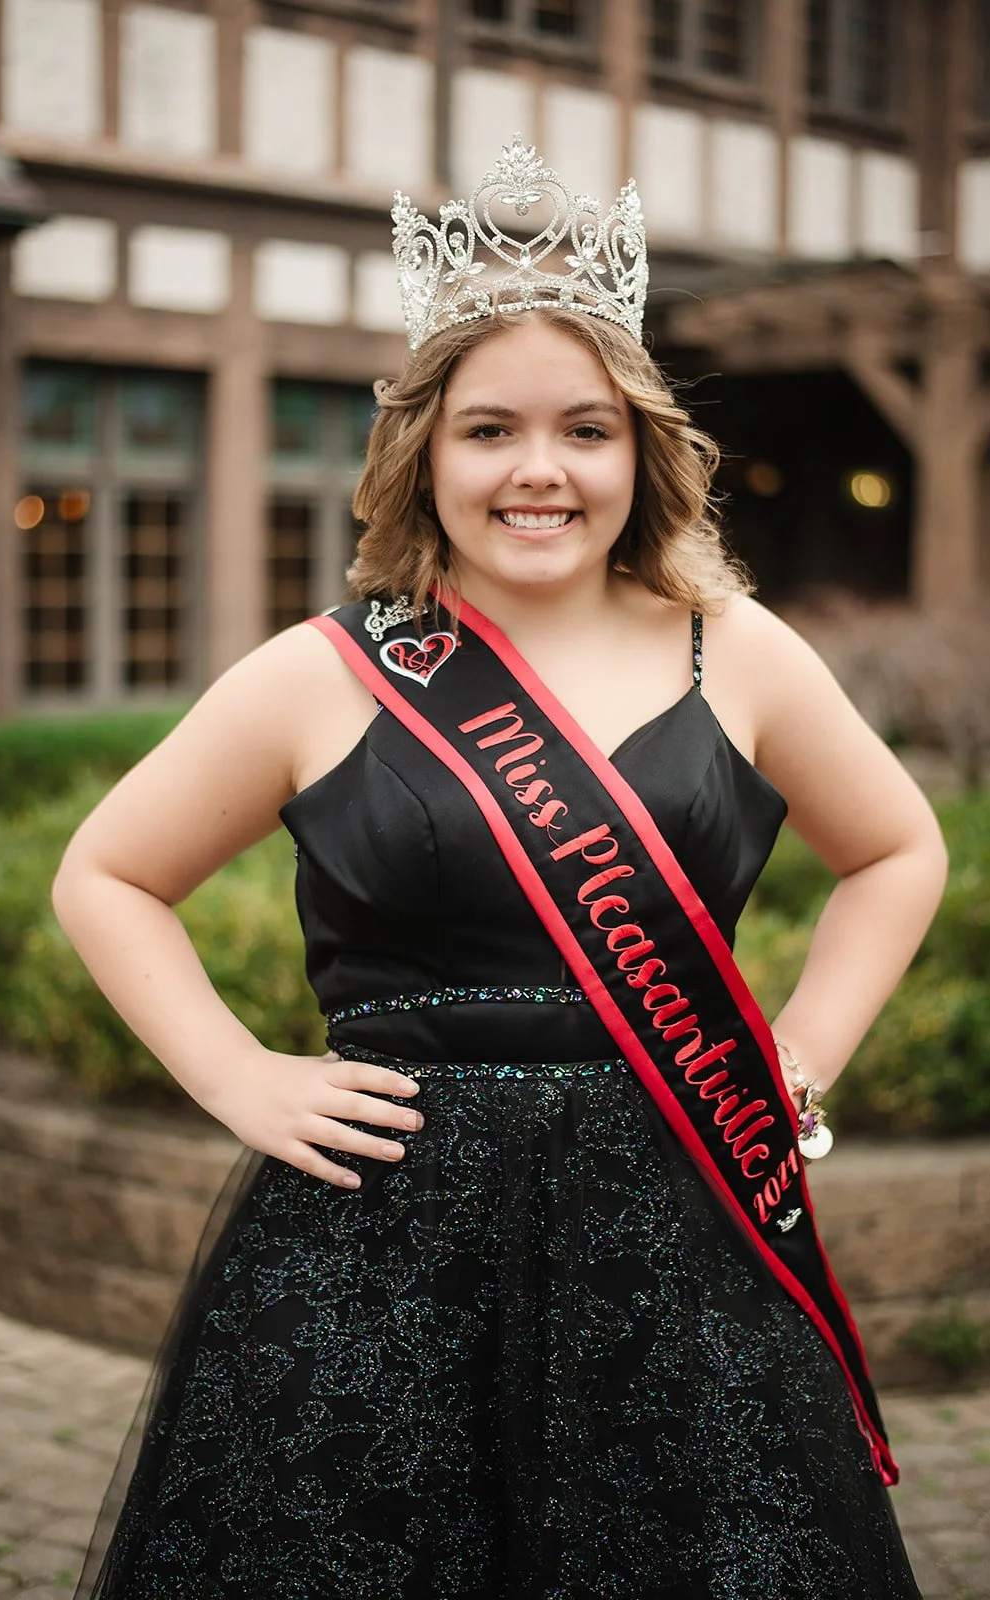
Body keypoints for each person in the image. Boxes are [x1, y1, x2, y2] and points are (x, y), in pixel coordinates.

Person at [58, 139, 943, 1598]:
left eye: (586, 430)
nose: (541, 470)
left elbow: (901, 848)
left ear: (641, 452)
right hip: (379, 1235)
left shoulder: (745, 651)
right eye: (490, 432)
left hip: (677, 1228)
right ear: (425, 453)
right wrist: (234, 1074)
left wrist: (798, 1059)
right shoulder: (324, 673)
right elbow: (106, 874)